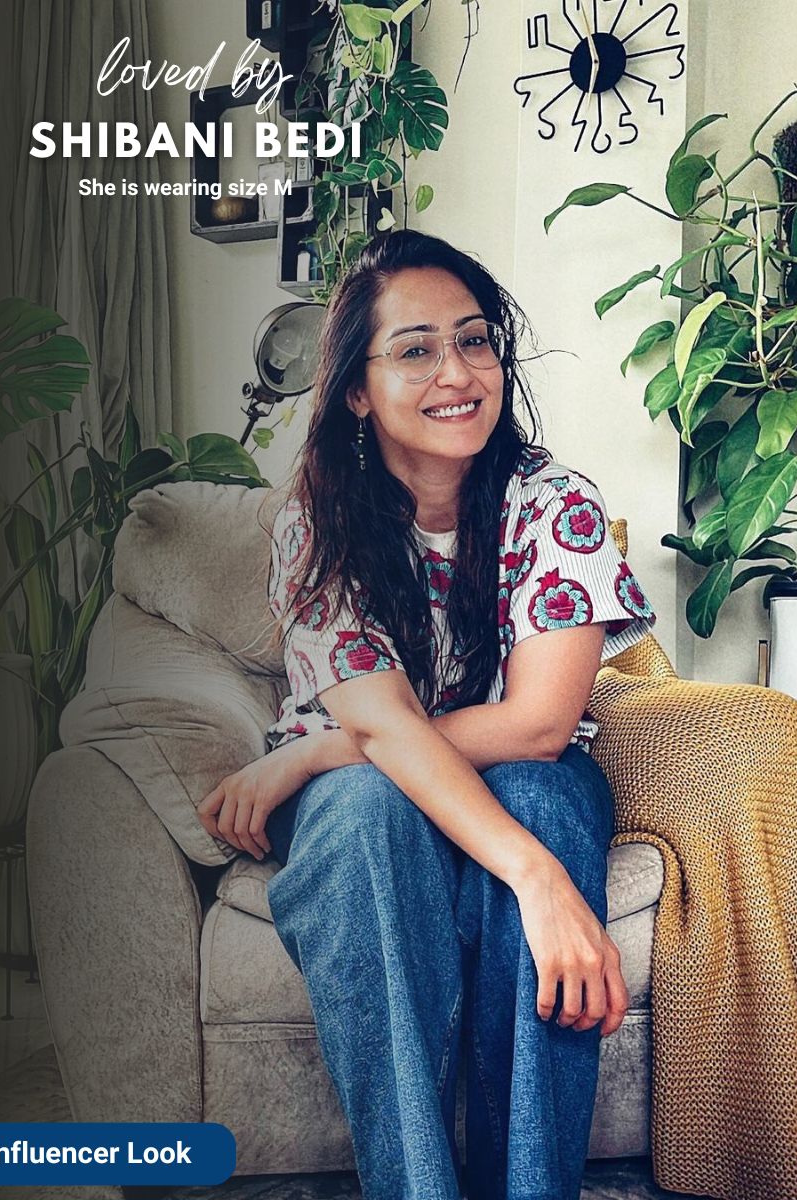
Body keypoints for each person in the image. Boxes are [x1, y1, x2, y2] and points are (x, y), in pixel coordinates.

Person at [197, 230, 656, 1200]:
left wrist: (311, 752)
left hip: (510, 773)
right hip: (361, 800)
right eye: (415, 349)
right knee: (369, 806)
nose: (457, 373)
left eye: (475, 340)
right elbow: (387, 732)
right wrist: (538, 880)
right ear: (356, 391)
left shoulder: (556, 504)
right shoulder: (317, 522)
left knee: (540, 790)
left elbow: (539, 725)